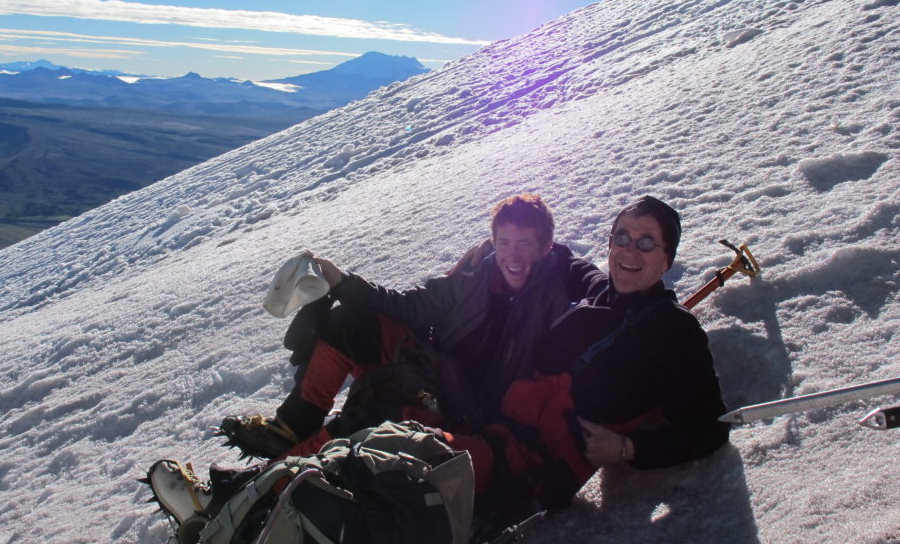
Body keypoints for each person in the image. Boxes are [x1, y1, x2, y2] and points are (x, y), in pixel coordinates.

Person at [218, 193, 600, 459]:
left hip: (467, 412)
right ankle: (291, 429)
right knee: (351, 321)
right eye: (504, 243)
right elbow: (411, 307)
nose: (512, 256)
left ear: (545, 247)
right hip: (432, 370)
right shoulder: (474, 276)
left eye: (524, 244)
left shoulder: (555, 300)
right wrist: (342, 284)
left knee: (376, 416)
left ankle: (276, 480)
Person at [444, 195, 730, 513]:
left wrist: (627, 448)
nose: (630, 250)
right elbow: (563, 260)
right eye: (622, 237)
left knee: (418, 468)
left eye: (647, 243)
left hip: (530, 464)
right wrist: (498, 246)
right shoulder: (601, 291)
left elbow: (712, 428)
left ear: (667, 260)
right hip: (491, 419)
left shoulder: (677, 331)